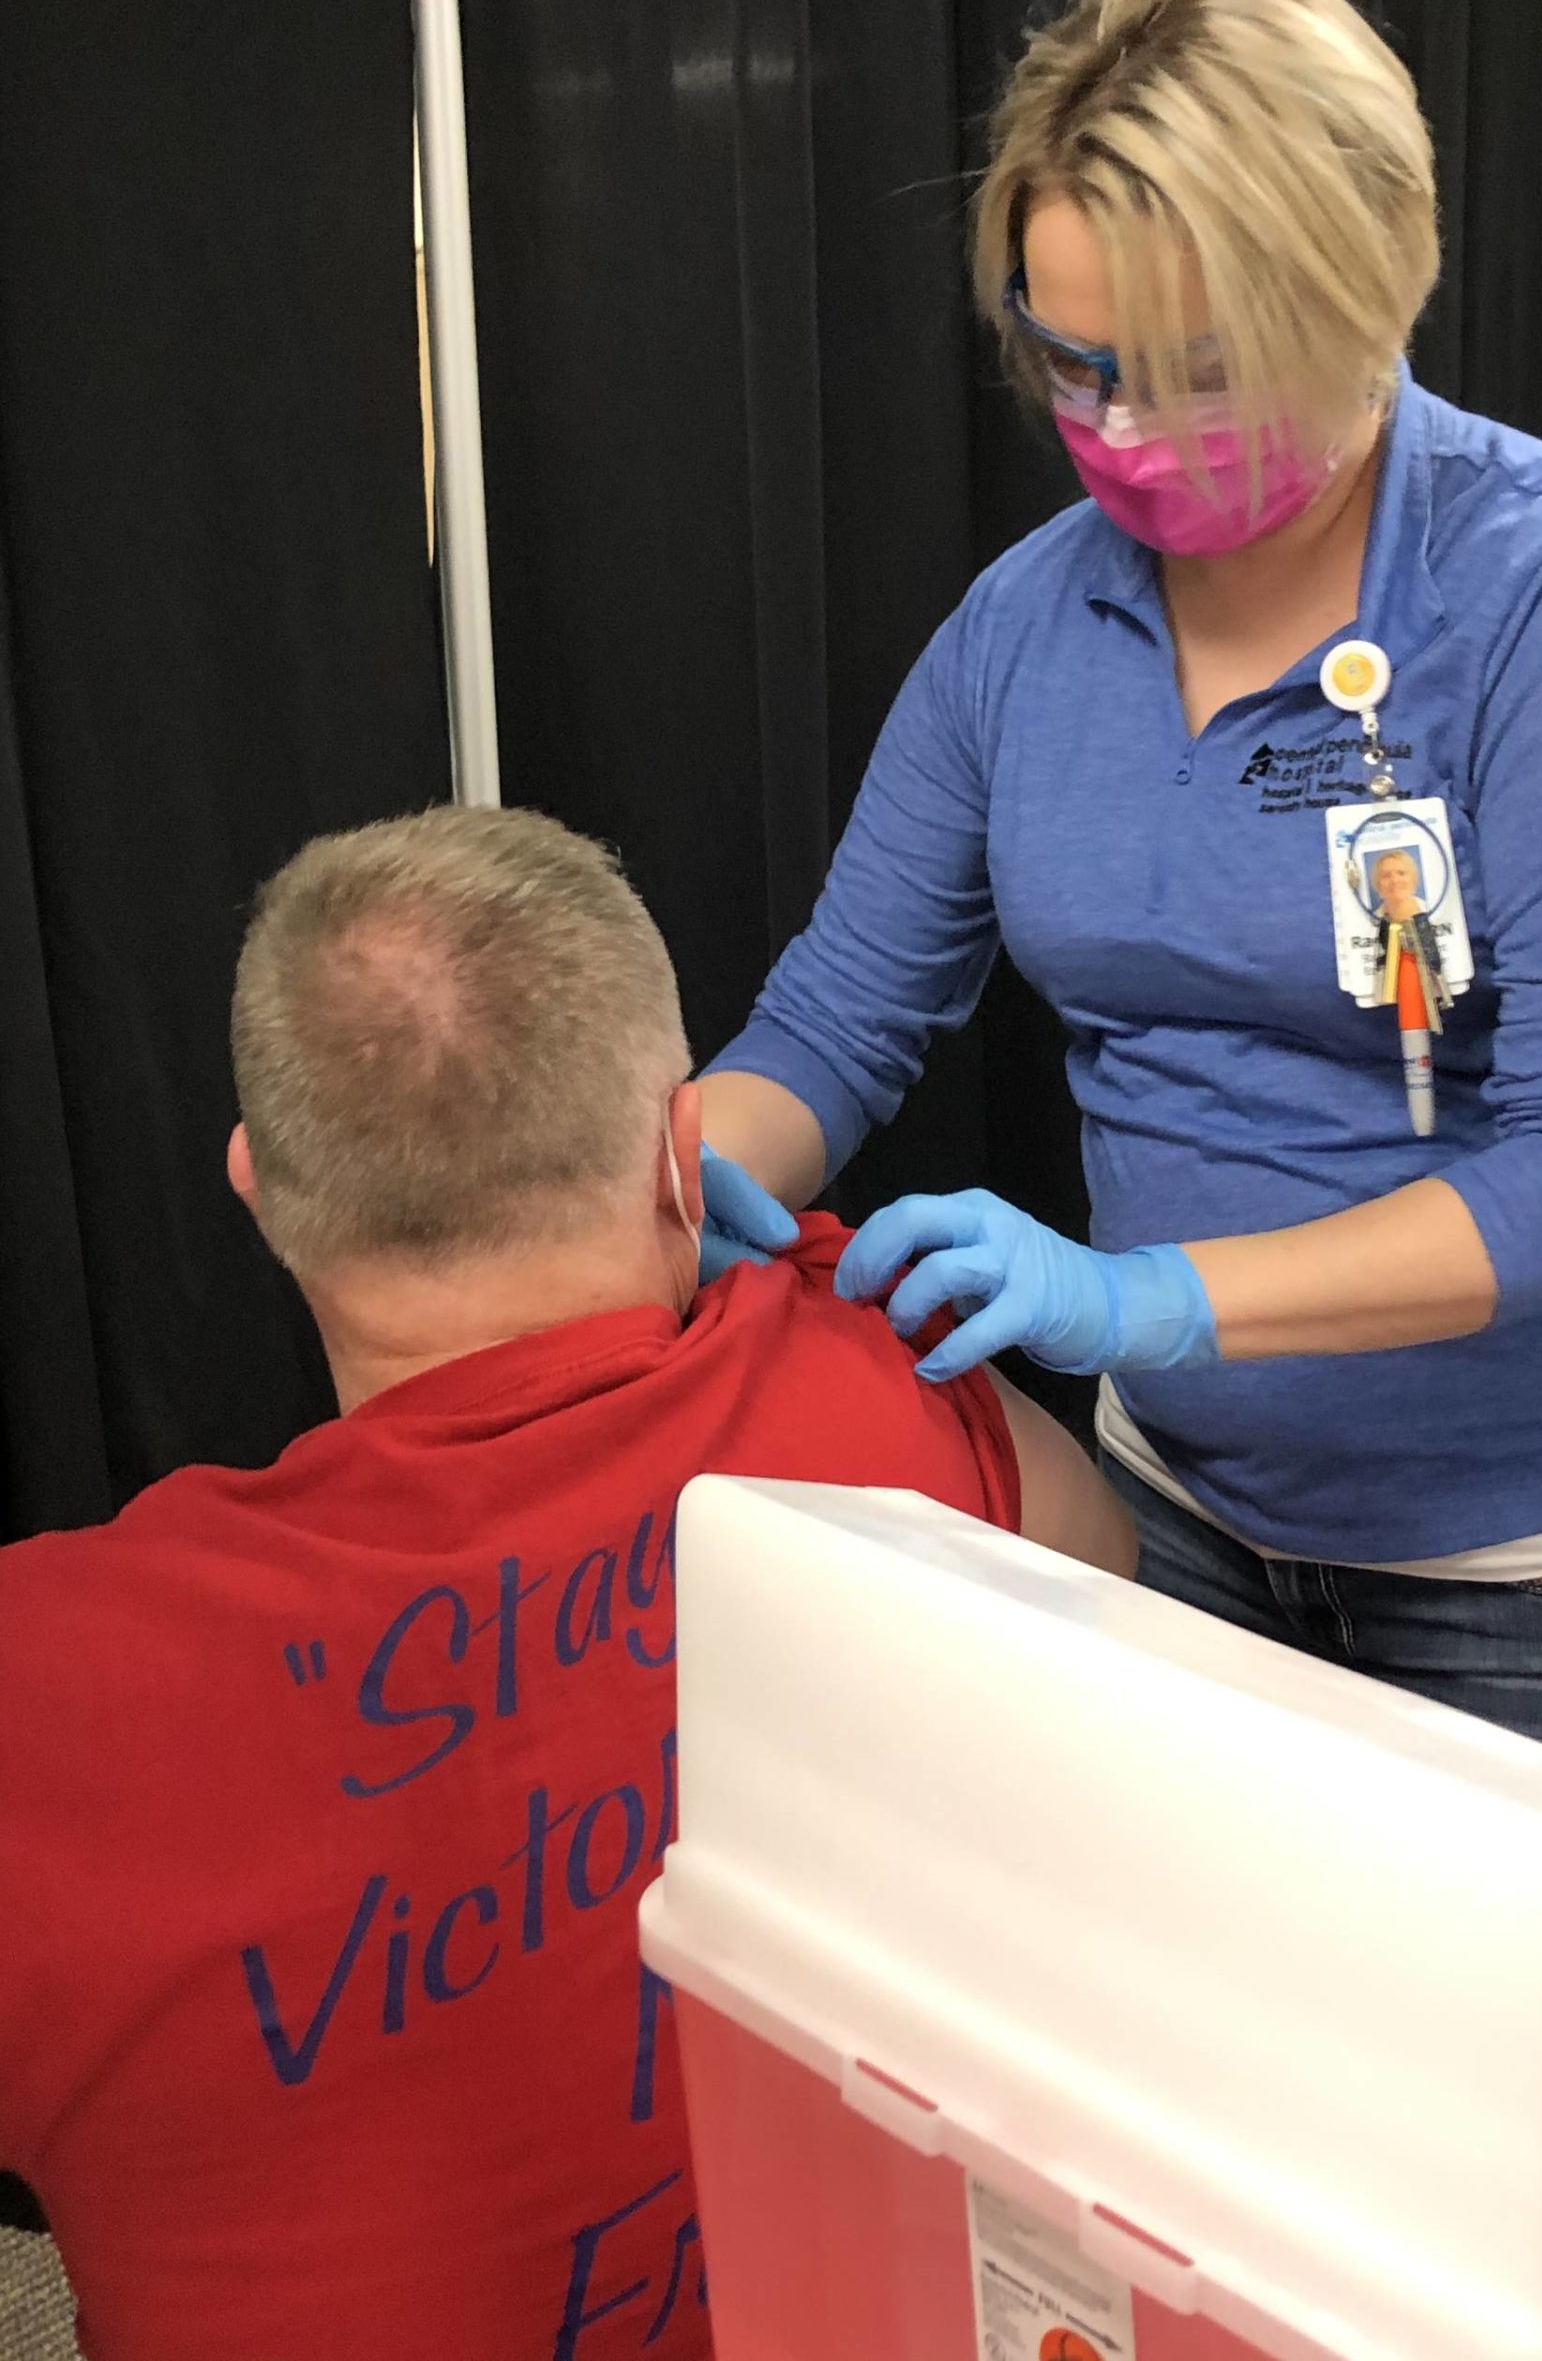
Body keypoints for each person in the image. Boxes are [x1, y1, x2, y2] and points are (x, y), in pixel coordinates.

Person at [694, 0, 1542, 1814]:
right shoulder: (1024, 635)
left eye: (1205, 375)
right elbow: (839, 1014)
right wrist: (661, 1196)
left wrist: (1150, 1303)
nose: (1126, 436)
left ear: (1372, 296)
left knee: (1496, 2104)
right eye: (1078, 365)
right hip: (1189, 1519)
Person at [0, 806, 1131, 2361]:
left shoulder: (46, 1682)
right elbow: (1102, 1572)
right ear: (686, 1154)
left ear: (256, 1190)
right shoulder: (879, 1386)